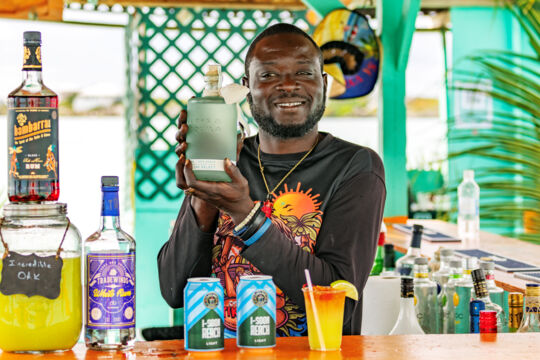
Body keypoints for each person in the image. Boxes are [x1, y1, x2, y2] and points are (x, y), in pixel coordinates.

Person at [157, 23, 386, 337]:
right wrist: (203, 191)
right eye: (268, 75)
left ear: (324, 84)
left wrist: (245, 216)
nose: (288, 85)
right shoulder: (229, 159)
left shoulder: (355, 167)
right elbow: (174, 289)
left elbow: (340, 303)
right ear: (245, 87)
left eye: (304, 73)